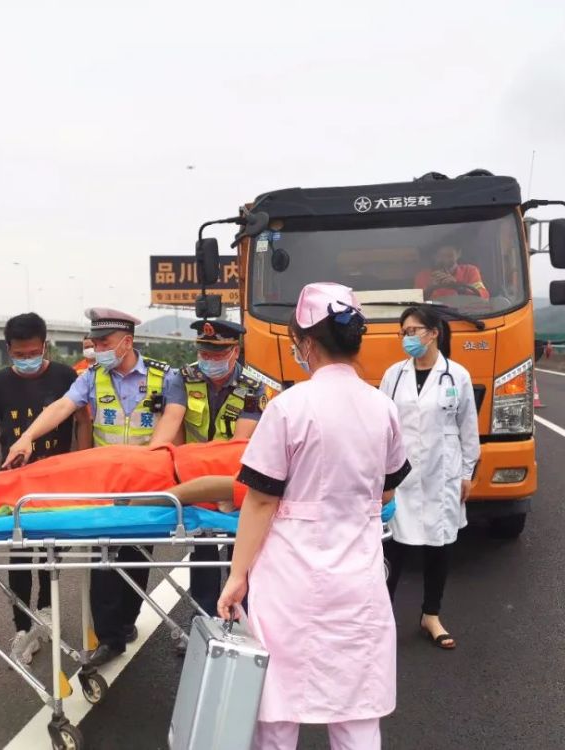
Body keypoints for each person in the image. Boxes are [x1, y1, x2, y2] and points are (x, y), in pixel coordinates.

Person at [217, 282, 407, 750]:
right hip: (358, 576)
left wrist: (237, 576)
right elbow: (388, 485)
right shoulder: (382, 407)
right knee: (357, 709)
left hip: (290, 580)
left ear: (305, 344)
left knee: (278, 709)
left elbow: (260, 501)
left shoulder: (288, 407)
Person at [2, 308, 182, 668]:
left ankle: (125, 623)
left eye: (103, 342)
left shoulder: (166, 377)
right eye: (95, 342)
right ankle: (108, 638)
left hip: (146, 483)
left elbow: (170, 425)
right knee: (104, 561)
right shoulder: (92, 377)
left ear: (126, 342)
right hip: (107, 486)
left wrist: (147, 465)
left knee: (136, 558)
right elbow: (62, 407)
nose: (96, 348)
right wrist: (27, 437)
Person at [149, 319, 263, 643]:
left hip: (232, 479)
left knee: (241, 554)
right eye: (204, 353)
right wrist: (153, 461)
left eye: (217, 354)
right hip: (193, 480)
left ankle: (242, 625)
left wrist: (225, 489)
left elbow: (239, 444)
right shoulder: (183, 379)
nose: (209, 360)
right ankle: (202, 622)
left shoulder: (253, 388)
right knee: (203, 552)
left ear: (234, 352)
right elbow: (171, 420)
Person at [0, 313, 84, 665]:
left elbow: (82, 420)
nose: (27, 359)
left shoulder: (65, 377)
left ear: (45, 346)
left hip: (56, 482)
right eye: (20, 354)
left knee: (51, 548)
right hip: (15, 482)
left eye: (34, 352)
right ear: (8, 349)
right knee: (20, 553)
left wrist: (81, 464)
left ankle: (47, 610)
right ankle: (22, 626)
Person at [379, 304, 481, 650]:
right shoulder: (393, 375)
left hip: (443, 473)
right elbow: (382, 426)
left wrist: (467, 472)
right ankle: (381, 620)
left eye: (413, 331)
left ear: (433, 333)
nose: (407, 338)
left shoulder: (457, 376)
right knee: (393, 548)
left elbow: (468, 427)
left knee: (440, 545)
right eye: (403, 332)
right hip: (401, 474)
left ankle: (430, 616)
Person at [0, 440, 249, 516]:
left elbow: (214, 487)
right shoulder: (275, 442)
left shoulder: (277, 479)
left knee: (34, 489)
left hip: (148, 481)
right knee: (39, 472)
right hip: (150, 461)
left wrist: (139, 502)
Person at [414, 243, 489, 301]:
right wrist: (430, 288)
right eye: (440, 256)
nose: (445, 260)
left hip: (464, 313)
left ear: (458, 254)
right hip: (433, 315)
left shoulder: (470, 271)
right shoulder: (422, 276)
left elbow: (484, 296)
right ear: (434, 256)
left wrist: (459, 287)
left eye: (450, 256)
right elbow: (414, 302)